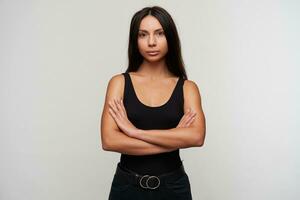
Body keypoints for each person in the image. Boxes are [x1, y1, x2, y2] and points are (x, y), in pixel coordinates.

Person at [100, 6, 206, 200]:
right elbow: (109, 141)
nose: (151, 42)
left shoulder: (187, 88)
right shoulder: (119, 83)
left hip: (173, 188)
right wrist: (173, 138)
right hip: (127, 188)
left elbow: (196, 137)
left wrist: (134, 132)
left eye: (159, 33)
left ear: (170, 38)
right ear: (135, 40)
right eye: (143, 35)